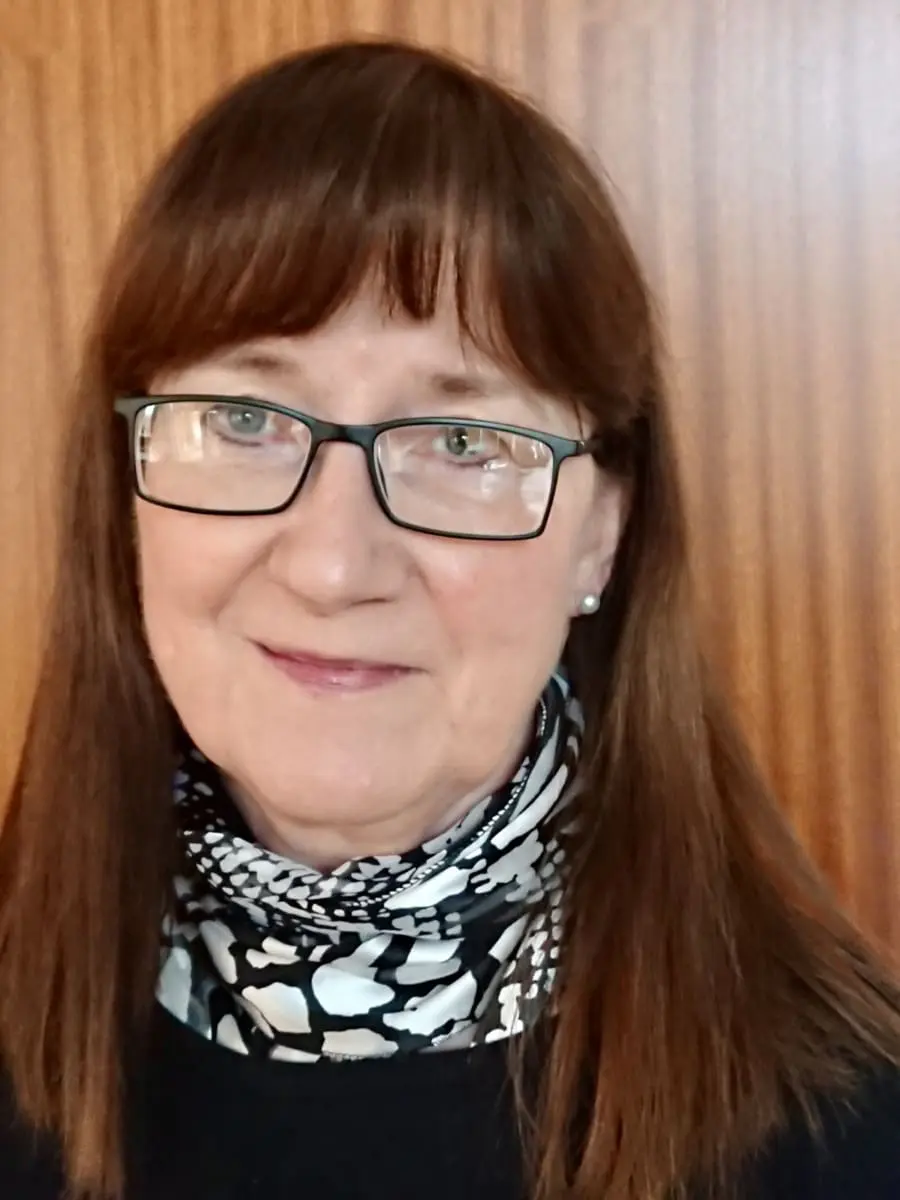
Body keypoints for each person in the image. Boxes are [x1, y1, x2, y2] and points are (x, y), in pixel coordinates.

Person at [1, 37, 899, 1200]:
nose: (334, 565)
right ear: (123, 494)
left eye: (463, 441)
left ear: (603, 529)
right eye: (245, 420)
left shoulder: (854, 1132)